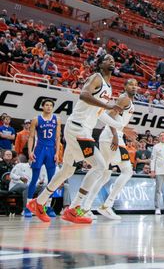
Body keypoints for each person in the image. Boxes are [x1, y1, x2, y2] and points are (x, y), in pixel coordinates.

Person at [27, 54, 121, 224]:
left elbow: (100, 114)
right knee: (100, 166)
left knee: (67, 171)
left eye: (112, 59)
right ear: (100, 64)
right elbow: (83, 95)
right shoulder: (96, 77)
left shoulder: (109, 87)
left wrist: (120, 128)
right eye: (108, 59)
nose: (112, 61)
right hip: (78, 128)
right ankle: (74, 208)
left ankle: (38, 202)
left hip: (82, 128)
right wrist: (108, 106)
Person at [84, 78, 138, 220]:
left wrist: (126, 131)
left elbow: (118, 120)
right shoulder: (124, 99)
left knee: (105, 174)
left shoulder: (128, 101)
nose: (134, 86)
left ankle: (85, 206)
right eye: (131, 84)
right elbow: (109, 116)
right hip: (112, 136)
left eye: (136, 85)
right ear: (125, 86)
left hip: (110, 135)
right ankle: (107, 205)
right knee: (127, 170)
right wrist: (115, 134)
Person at [23, 99, 60, 219]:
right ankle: (28, 206)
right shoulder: (36, 119)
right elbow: (31, 137)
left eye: (51, 105)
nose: (49, 107)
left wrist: (57, 153)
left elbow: (58, 138)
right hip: (39, 149)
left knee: (51, 181)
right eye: (47, 105)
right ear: (43, 107)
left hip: (51, 150)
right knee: (34, 179)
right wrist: (30, 152)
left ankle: (47, 207)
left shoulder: (57, 119)